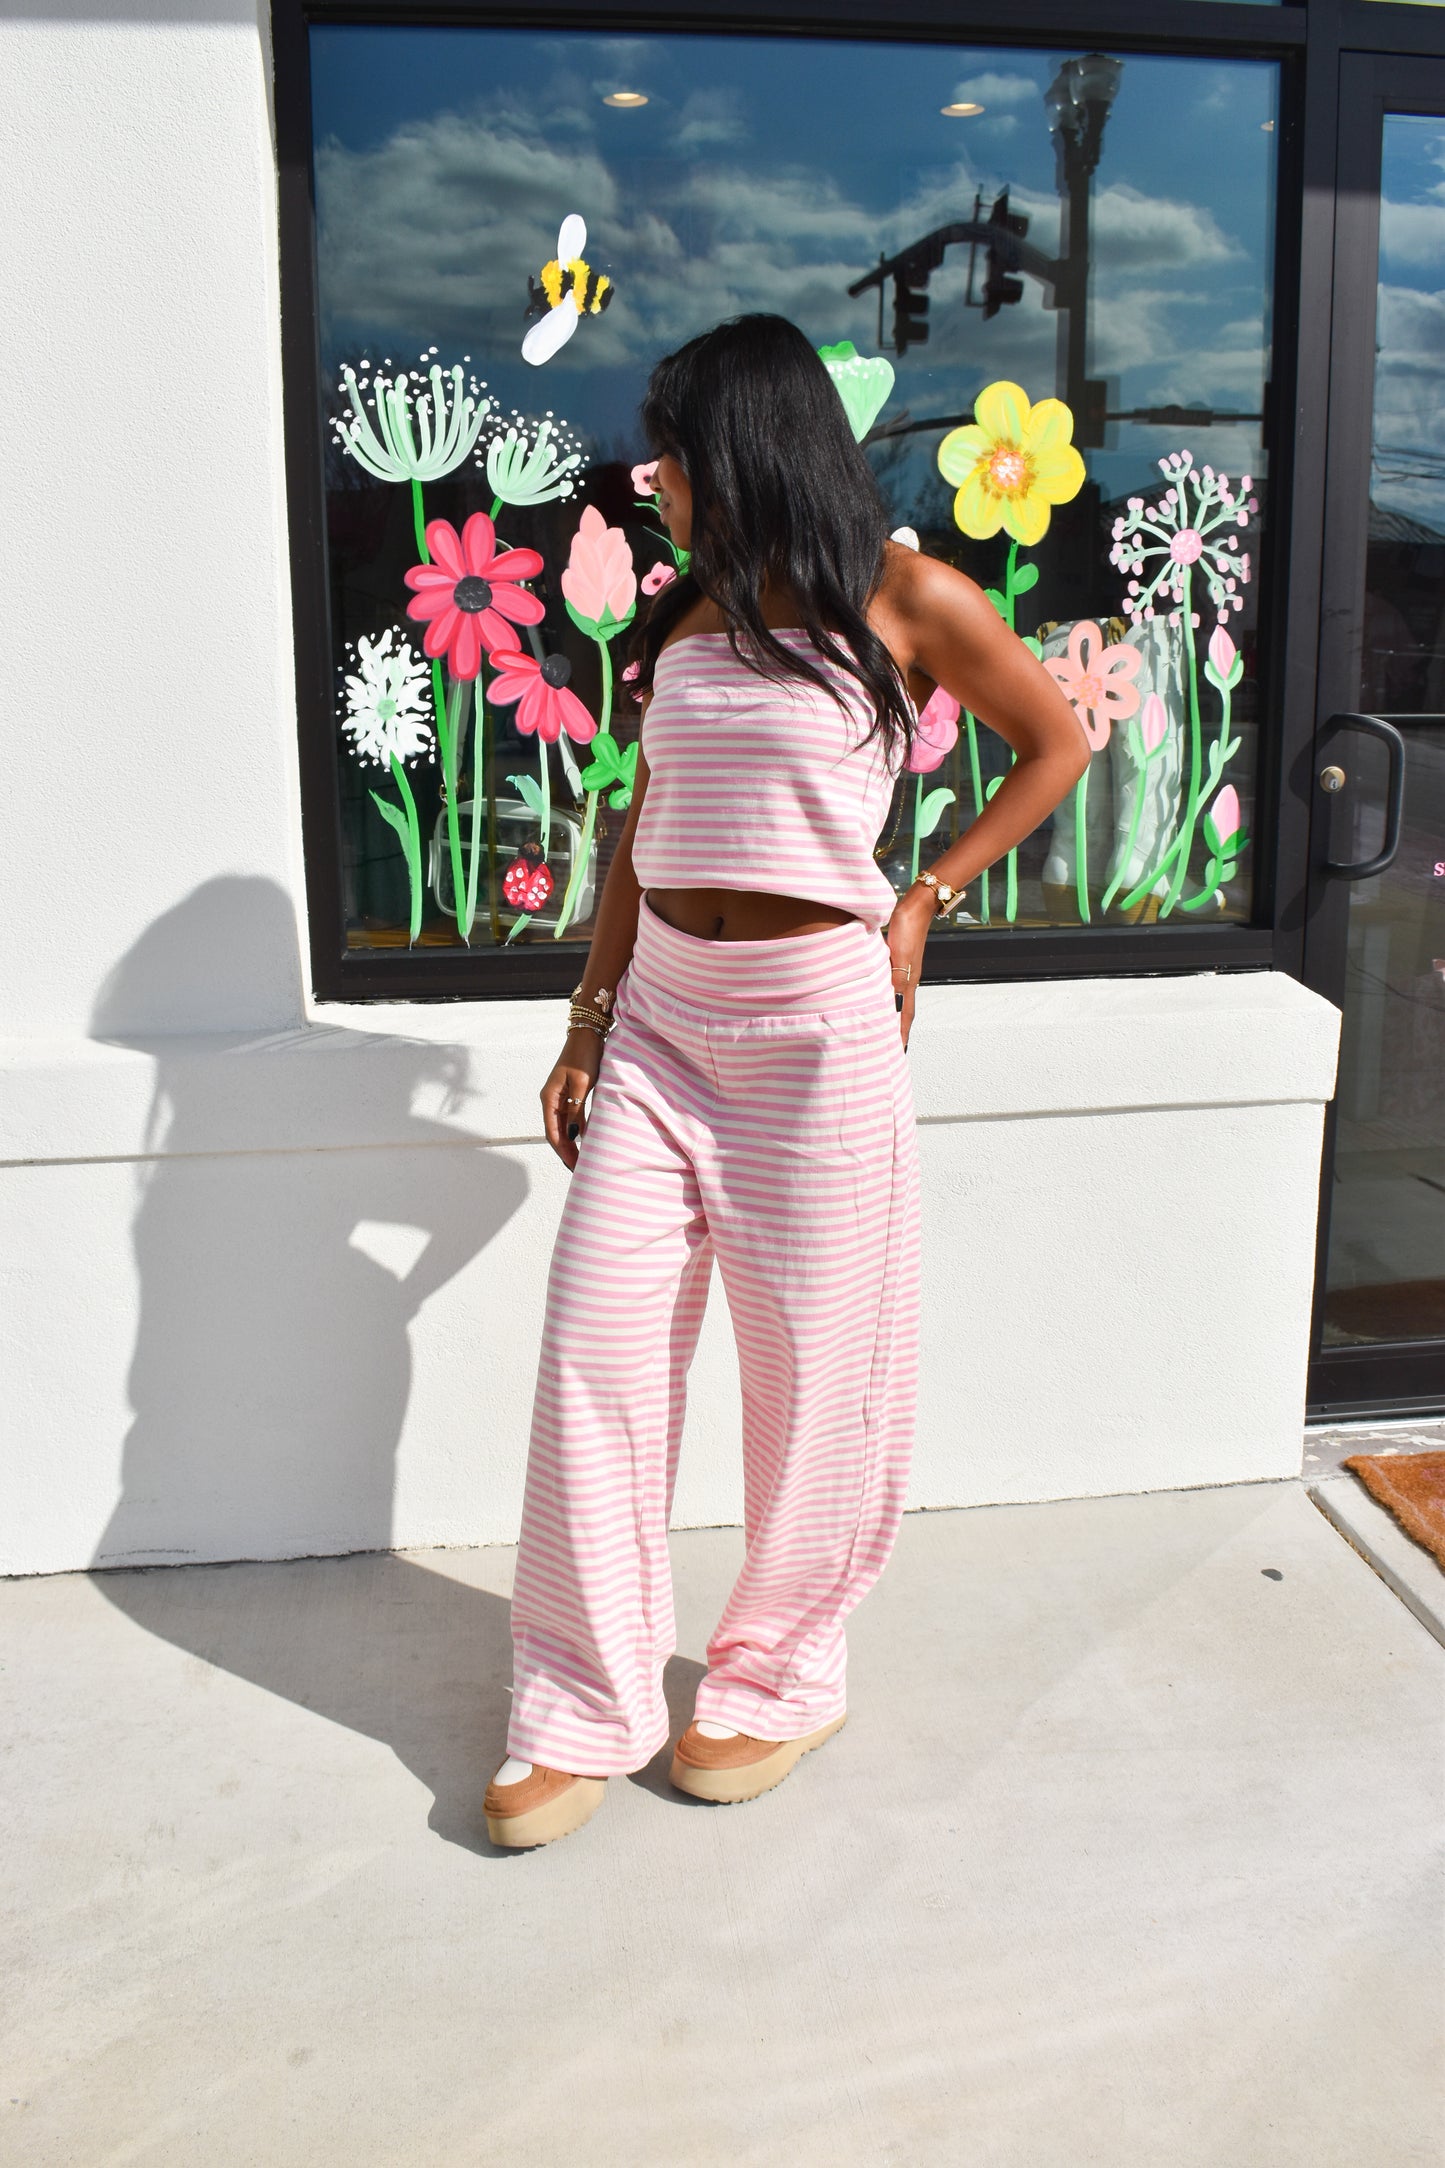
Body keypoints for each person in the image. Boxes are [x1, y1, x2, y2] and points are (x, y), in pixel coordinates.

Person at [484, 314, 1088, 1848]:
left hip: (815, 1033)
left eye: (671, 450)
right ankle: (581, 1698)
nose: (652, 478)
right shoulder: (684, 623)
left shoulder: (906, 595)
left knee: (814, 1381)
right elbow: (639, 829)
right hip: (663, 1031)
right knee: (594, 1359)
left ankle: (779, 1672)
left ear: (744, 446)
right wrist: (583, 1020)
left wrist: (922, 897)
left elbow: (1053, 743)